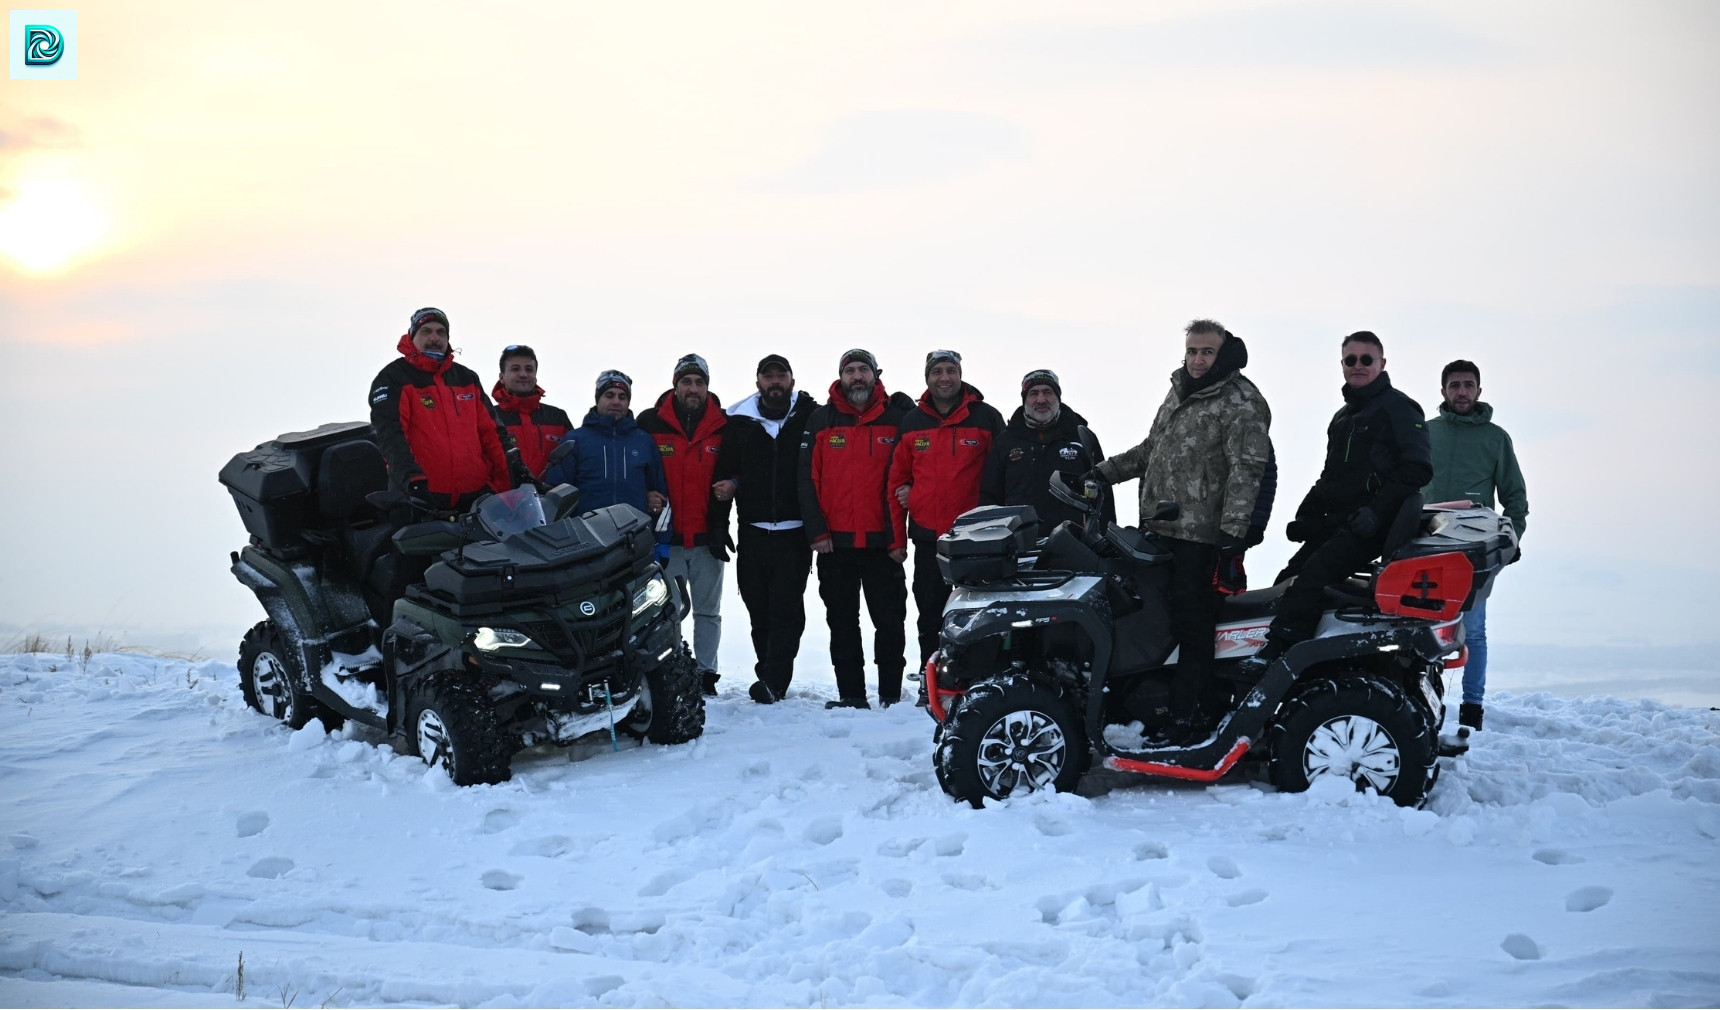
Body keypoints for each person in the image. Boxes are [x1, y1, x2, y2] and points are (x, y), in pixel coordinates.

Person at [1090, 321, 1272, 741]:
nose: (1197, 359)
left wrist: (1232, 535)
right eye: (1192, 351)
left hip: (1203, 539)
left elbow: (1248, 470)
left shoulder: (1241, 400)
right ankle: (1146, 705)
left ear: (1222, 354)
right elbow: (1151, 450)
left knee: (1194, 628)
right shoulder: (1179, 391)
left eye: (1206, 352)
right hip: (1160, 531)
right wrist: (1100, 474)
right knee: (1155, 621)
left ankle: (1189, 719)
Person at [1242, 331, 1431, 675]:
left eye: (1366, 359)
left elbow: (1416, 469)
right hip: (1341, 521)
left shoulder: (1398, 408)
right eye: (1350, 359)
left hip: (1373, 524)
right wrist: (1307, 516)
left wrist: (1376, 513)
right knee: (1287, 579)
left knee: (1313, 576)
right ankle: (1265, 650)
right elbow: (1330, 476)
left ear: (1381, 364)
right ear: (1342, 365)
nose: (1357, 366)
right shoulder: (1344, 416)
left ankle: (1281, 656)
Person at [798, 349, 915, 709]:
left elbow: (913, 473)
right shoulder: (821, 419)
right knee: (843, 624)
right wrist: (817, 533)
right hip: (836, 546)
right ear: (841, 377)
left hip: (885, 544)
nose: (857, 376)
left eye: (864, 369)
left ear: (876, 374)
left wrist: (899, 539)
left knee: (891, 623)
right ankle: (851, 695)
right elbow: (807, 480)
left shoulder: (898, 417)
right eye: (850, 370)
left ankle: (891, 696)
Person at [1424, 359, 1528, 731]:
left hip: (1474, 550)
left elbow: (1515, 497)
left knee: (1475, 630)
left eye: (1468, 385)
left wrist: (1510, 541)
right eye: (1455, 386)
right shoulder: (1425, 432)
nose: (1462, 392)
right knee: (1422, 630)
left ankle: (1472, 708)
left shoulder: (1495, 438)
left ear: (1479, 390)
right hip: (1425, 545)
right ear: (1444, 392)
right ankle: (1424, 699)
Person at [888, 350, 1005, 669]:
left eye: (951, 371)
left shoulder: (986, 417)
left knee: (979, 615)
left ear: (960, 375)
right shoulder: (912, 421)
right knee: (930, 615)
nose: (944, 377)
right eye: (937, 371)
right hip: (929, 539)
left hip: (978, 538)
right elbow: (896, 480)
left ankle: (976, 677)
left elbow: (1004, 474)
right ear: (927, 377)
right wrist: (897, 541)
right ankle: (933, 680)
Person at [716, 354, 819, 704]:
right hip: (753, 530)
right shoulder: (739, 421)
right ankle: (768, 670)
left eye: (781, 375)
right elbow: (725, 472)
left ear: (792, 379)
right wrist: (721, 522)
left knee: (786, 608)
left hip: (795, 531)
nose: (775, 382)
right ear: (758, 381)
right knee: (758, 607)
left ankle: (776, 679)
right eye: (768, 376)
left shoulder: (810, 416)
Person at [638, 354, 731, 696]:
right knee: (667, 612)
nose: (693, 388)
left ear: (707, 387)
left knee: (709, 612)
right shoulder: (650, 422)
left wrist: (733, 480)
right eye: (687, 382)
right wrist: (646, 492)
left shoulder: (722, 424)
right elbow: (637, 466)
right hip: (666, 538)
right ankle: (672, 669)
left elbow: (739, 463)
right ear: (675, 384)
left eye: (699, 382)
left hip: (709, 538)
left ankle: (706, 674)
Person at [369, 306, 516, 511]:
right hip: (421, 499)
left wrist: (513, 476)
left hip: (476, 498)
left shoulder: (466, 378)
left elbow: (492, 434)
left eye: (441, 332)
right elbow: (391, 437)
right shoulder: (394, 377)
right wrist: (413, 482)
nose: (434, 338)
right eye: (426, 331)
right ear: (412, 336)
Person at [980, 368, 1113, 530]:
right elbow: (989, 496)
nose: (1041, 399)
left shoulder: (1081, 436)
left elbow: (1103, 491)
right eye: (1033, 393)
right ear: (1025, 400)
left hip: (1074, 543)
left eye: (1047, 392)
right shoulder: (1005, 442)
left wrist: (1106, 539)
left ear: (1058, 397)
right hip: (1019, 544)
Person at [542, 370, 667, 517]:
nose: (616, 402)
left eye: (622, 397)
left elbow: (658, 491)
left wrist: (653, 500)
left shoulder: (644, 442)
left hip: (634, 533)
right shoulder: (575, 440)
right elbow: (556, 493)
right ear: (598, 398)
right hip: (586, 533)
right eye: (609, 395)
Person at [491, 344, 573, 481]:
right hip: (504, 500)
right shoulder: (489, 417)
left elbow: (573, 462)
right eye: (515, 369)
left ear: (535, 375)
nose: (523, 374)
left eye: (529, 369)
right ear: (502, 377)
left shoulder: (558, 417)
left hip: (551, 500)